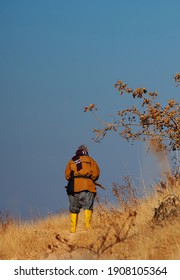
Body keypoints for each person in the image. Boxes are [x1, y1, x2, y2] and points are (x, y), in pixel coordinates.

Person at [65, 145, 100, 233]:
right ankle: (87, 228)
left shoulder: (71, 161)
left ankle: (73, 230)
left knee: (73, 208)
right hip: (87, 186)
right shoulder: (90, 160)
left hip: (72, 188)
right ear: (86, 151)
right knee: (87, 206)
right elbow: (95, 173)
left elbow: (67, 175)